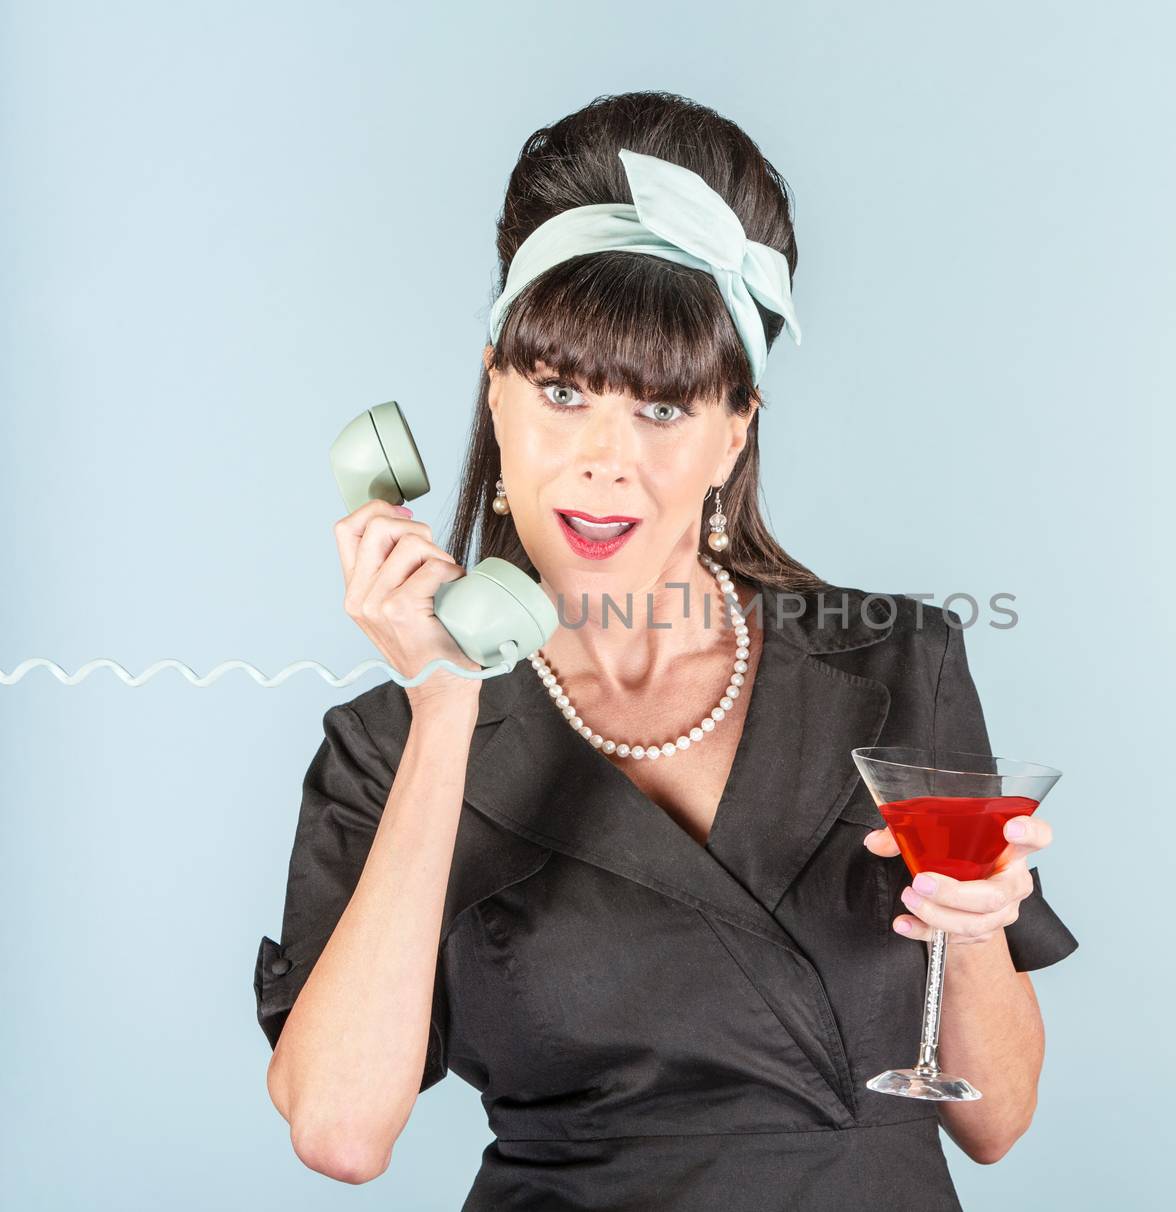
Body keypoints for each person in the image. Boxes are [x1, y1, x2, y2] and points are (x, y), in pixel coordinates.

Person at [253, 90, 1078, 1211]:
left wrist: (974, 931)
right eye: (559, 393)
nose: (603, 461)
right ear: (493, 386)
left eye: (661, 409)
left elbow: (997, 1120)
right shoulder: (384, 749)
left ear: (736, 425)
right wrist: (446, 697)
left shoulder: (894, 667)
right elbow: (341, 1134)